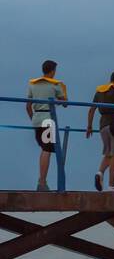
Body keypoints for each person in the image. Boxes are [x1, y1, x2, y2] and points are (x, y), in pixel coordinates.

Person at [25, 60, 67, 191]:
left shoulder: (33, 85)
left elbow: (28, 106)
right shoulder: (55, 85)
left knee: (45, 148)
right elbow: (65, 103)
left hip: (37, 118)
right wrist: (63, 93)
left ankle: (42, 182)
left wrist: (34, 118)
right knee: (47, 149)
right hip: (48, 119)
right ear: (52, 71)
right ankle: (42, 182)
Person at [86, 71, 114, 191]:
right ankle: (111, 185)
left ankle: (100, 173)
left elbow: (91, 110)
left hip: (102, 125)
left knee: (108, 153)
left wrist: (89, 126)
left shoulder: (100, 91)